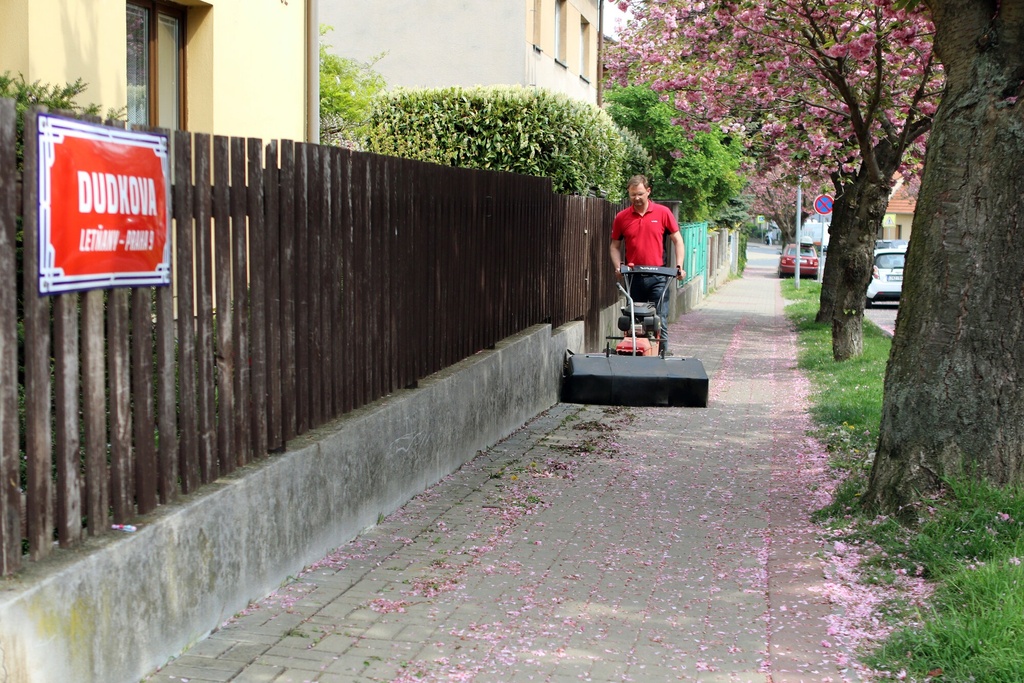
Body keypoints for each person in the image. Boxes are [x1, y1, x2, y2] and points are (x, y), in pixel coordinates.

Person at [609, 175, 685, 349]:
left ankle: (662, 358)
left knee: (659, 320)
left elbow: (678, 240)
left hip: (658, 276)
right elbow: (614, 246)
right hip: (633, 277)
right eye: (632, 194)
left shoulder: (663, 213)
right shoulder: (622, 217)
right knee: (633, 320)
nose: (636, 198)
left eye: (640, 194)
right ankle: (634, 357)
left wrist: (679, 266)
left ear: (648, 191)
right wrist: (618, 267)